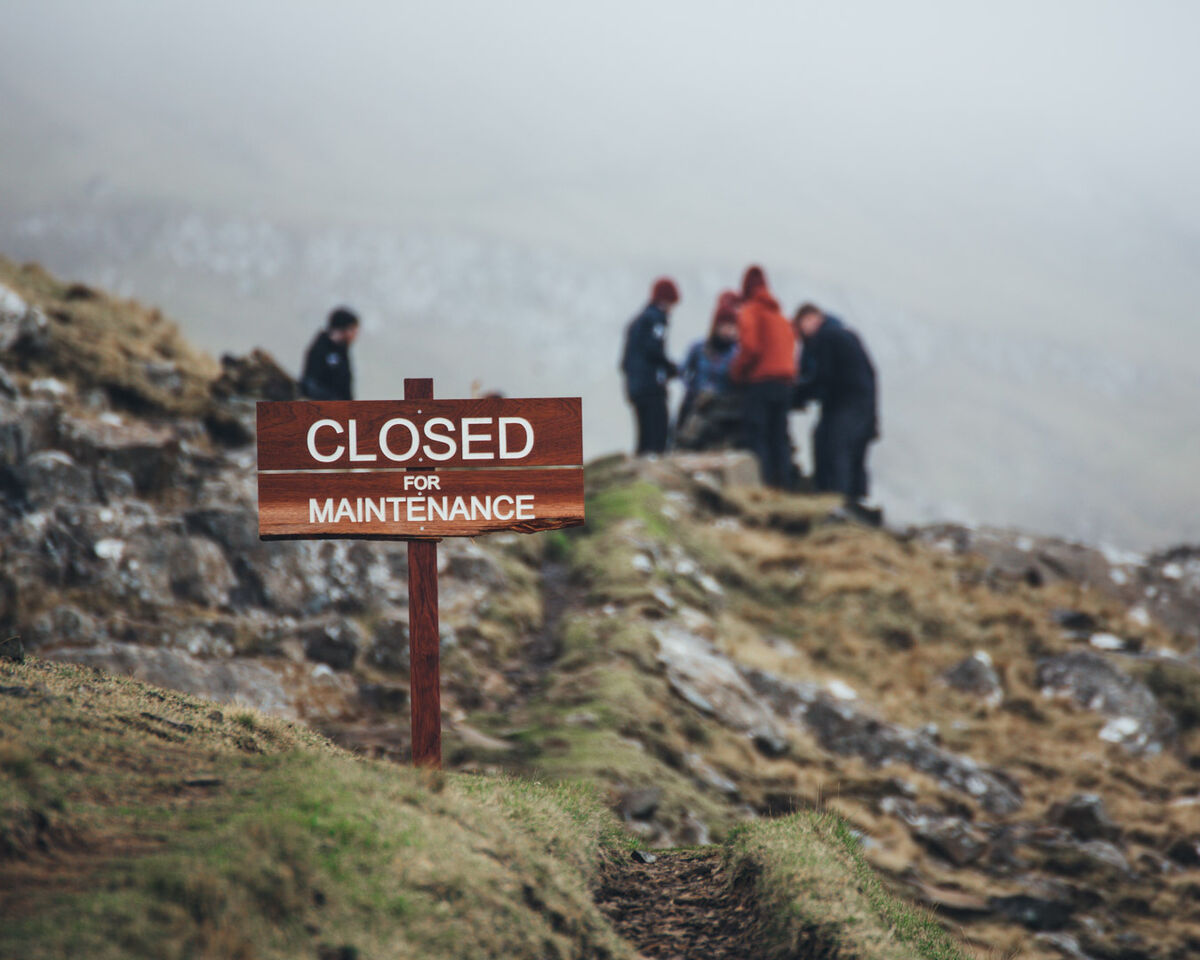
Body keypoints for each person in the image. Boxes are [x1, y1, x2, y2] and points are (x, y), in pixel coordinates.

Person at [793, 303, 878, 506]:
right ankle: (854, 500)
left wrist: (799, 394)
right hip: (862, 405)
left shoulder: (826, 337)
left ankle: (836, 501)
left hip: (845, 404)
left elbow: (822, 376)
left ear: (811, 319)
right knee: (849, 451)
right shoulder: (846, 335)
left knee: (834, 447)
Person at [729, 266, 797, 487]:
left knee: (756, 435)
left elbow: (750, 347)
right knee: (779, 437)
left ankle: (762, 485)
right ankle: (784, 485)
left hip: (761, 383)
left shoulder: (749, 311)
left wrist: (737, 373)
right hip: (785, 384)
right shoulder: (781, 317)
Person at [620, 277, 680, 455]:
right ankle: (651, 475)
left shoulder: (637, 322)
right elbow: (653, 349)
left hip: (635, 387)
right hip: (651, 388)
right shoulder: (656, 320)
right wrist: (671, 369)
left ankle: (639, 475)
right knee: (657, 437)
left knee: (644, 437)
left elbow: (624, 362)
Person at [675, 291, 741, 450]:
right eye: (725, 326)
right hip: (697, 403)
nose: (729, 331)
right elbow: (684, 370)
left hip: (723, 407)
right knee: (685, 433)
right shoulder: (699, 348)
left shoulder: (737, 352)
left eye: (732, 327)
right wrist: (692, 389)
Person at [300, 307, 360, 401]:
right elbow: (310, 383)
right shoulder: (320, 348)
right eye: (353, 330)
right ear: (344, 329)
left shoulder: (343, 350)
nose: (355, 336)